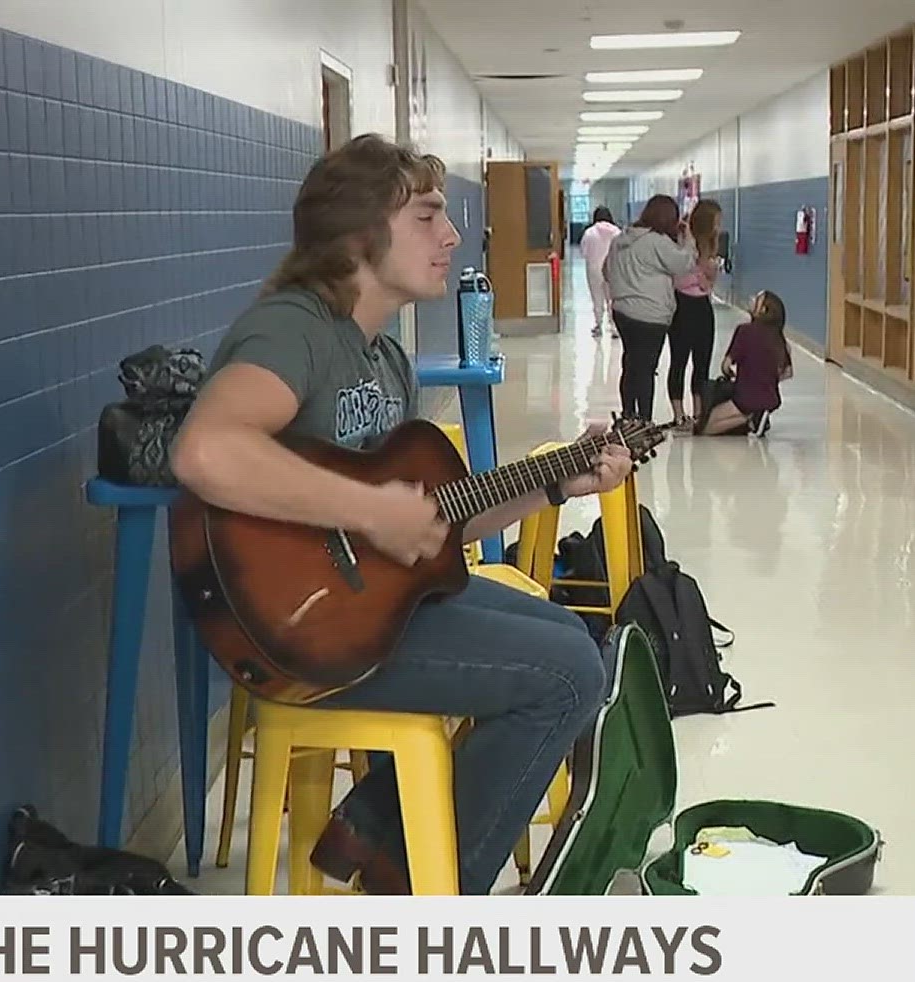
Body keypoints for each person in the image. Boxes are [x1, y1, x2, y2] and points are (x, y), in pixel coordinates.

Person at [169, 134, 633, 897]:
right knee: (567, 673)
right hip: (301, 633)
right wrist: (368, 510)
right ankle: (429, 900)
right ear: (359, 232)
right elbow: (205, 452)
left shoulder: (383, 359)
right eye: (427, 215)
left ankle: (381, 833)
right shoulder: (293, 329)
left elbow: (432, 525)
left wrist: (559, 484)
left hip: (376, 612)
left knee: (570, 632)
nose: (452, 235)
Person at [604, 194, 698, 422]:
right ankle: (645, 421)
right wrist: (689, 238)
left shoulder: (620, 240)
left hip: (622, 313)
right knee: (646, 369)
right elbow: (684, 264)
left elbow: (606, 272)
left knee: (631, 364)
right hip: (650, 317)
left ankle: (627, 415)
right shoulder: (656, 241)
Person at [696, 290, 795, 436]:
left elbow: (726, 365)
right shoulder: (779, 339)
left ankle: (749, 418)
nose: (752, 299)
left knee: (706, 427)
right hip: (771, 397)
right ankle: (755, 417)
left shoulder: (744, 331)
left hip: (746, 397)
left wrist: (731, 373)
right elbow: (788, 372)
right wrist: (767, 378)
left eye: (757, 299)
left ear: (763, 310)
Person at [664, 199, 722, 427]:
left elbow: (709, 285)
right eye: (716, 221)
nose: (719, 226)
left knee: (702, 360)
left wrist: (706, 273)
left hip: (702, 306)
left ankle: (699, 414)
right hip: (682, 305)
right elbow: (679, 276)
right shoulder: (682, 241)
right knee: (679, 360)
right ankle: (679, 415)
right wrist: (701, 271)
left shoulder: (711, 244)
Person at [579, 207, 622, 338]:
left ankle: (598, 325)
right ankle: (614, 327)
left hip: (594, 269)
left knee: (597, 298)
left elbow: (584, 252)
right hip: (612, 270)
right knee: (613, 298)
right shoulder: (617, 232)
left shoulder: (589, 232)